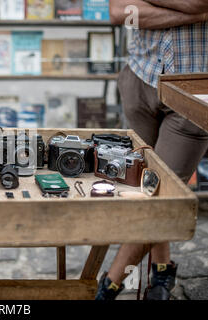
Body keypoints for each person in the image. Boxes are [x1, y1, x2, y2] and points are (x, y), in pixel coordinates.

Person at [96, 0, 208, 301]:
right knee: (140, 182)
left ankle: (109, 285)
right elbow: (120, 13)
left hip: (196, 87)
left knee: (160, 192)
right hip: (140, 77)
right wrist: (194, 13)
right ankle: (161, 270)